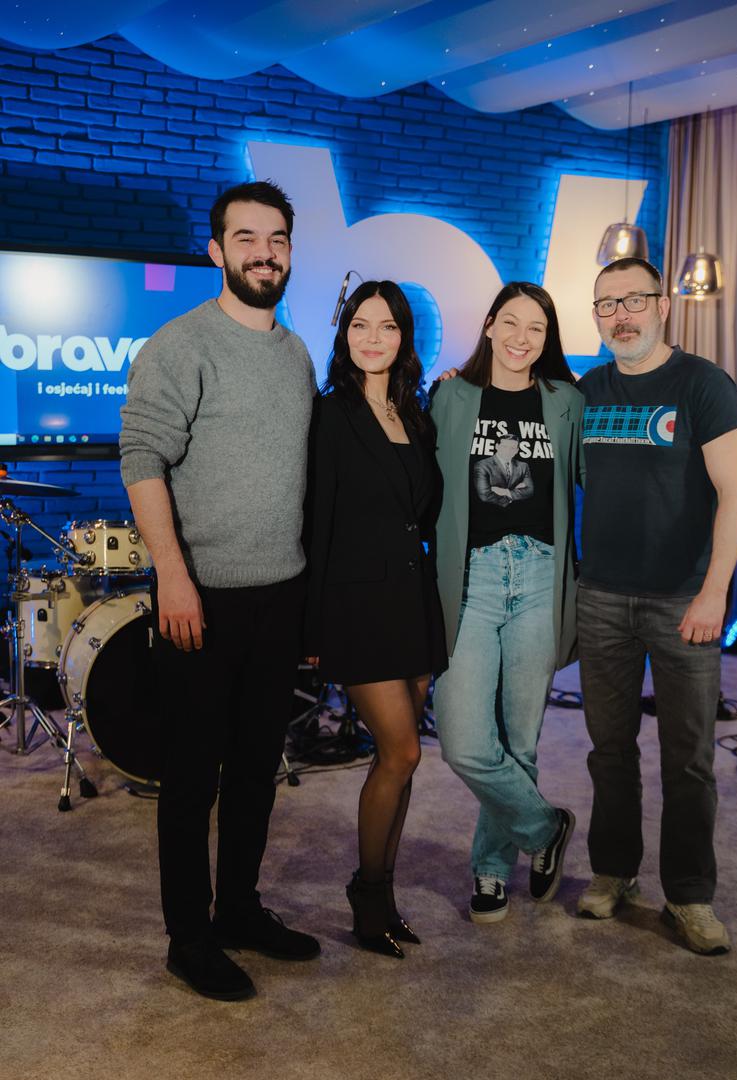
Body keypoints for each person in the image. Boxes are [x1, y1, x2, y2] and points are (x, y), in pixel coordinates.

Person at [119, 180, 321, 1001]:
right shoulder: (182, 343)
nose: (263, 253)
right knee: (191, 777)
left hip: (281, 594)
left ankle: (238, 909)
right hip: (200, 596)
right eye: (246, 238)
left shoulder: (296, 352)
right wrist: (172, 575)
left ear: (289, 251)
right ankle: (188, 938)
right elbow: (141, 458)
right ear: (216, 251)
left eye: (276, 239)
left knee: (255, 770)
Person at [576, 256, 737, 955]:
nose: (620, 315)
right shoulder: (587, 389)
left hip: (684, 601)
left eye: (633, 300)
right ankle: (614, 870)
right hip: (600, 596)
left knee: (688, 759)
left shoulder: (703, 384)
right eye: (606, 304)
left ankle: (689, 894)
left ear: (662, 306)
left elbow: (736, 493)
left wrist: (715, 592)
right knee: (609, 752)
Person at [430, 282, 584, 924]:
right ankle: (546, 827)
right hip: (473, 577)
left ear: (548, 339)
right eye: (511, 323)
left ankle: (492, 869)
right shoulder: (450, 396)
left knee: (521, 739)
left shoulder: (567, 401)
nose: (522, 338)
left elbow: (594, 478)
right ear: (489, 325)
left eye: (537, 329)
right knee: (465, 742)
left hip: (540, 576)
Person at [304, 280, 447, 959]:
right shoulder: (330, 413)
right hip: (357, 607)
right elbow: (317, 522)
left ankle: (383, 895)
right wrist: (312, 628)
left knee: (403, 761)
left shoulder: (414, 413)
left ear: (403, 337)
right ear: (345, 334)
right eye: (360, 325)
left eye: (386, 326)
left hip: (411, 601)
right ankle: (366, 896)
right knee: (402, 752)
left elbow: (425, 510)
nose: (372, 338)